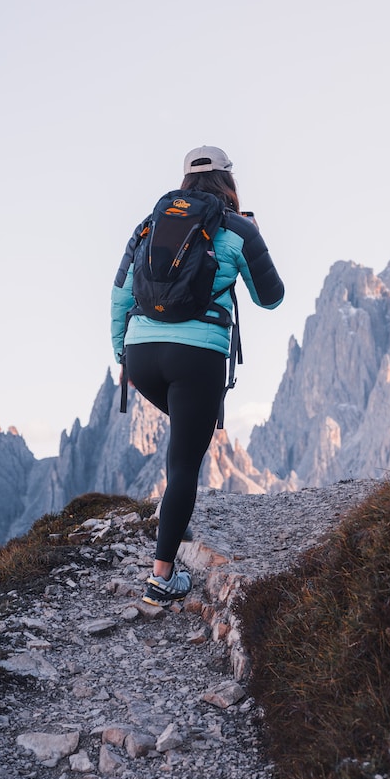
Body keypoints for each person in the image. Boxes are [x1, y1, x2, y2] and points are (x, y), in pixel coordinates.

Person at [110, 145, 284, 606]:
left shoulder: (149, 224)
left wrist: (121, 355)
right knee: (185, 462)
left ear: (185, 182)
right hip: (197, 357)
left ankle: (175, 518)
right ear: (230, 182)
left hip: (143, 357)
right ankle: (161, 578)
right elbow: (271, 297)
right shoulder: (237, 228)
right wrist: (253, 239)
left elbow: (120, 294)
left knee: (181, 444)